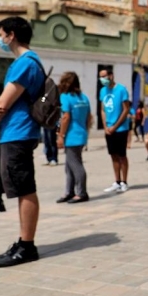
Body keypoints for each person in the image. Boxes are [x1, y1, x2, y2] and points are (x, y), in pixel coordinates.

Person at [0, 16, 45, 268]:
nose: (0, 39)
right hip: (19, 133)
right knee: (22, 188)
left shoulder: (25, 63)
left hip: (18, 133)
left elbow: (1, 106)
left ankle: (28, 246)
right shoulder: (28, 62)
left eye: (1, 34)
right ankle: (23, 242)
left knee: (24, 188)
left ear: (11, 35)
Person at [55, 72, 91, 204]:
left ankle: (82, 193)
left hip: (71, 135)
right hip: (81, 133)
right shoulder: (84, 98)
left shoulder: (65, 97)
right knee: (69, 166)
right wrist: (85, 131)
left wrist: (60, 135)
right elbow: (89, 117)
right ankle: (69, 192)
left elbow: (65, 117)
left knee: (76, 165)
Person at [99, 69, 131, 192]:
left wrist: (115, 126)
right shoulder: (103, 91)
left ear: (111, 76)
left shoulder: (121, 89)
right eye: (100, 77)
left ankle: (124, 181)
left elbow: (126, 109)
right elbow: (102, 109)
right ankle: (117, 181)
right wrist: (106, 126)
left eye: (104, 76)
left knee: (122, 155)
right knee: (113, 155)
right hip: (109, 128)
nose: (102, 79)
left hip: (121, 128)